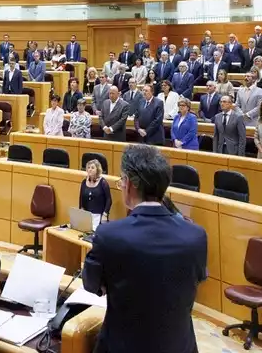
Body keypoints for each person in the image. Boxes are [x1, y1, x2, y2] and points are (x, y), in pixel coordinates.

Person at [83, 144, 206, 353]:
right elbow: (196, 279)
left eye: (121, 180)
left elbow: (91, 284)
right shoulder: (196, 236)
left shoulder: (109, 235)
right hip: (179, 346)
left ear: (129, 184)